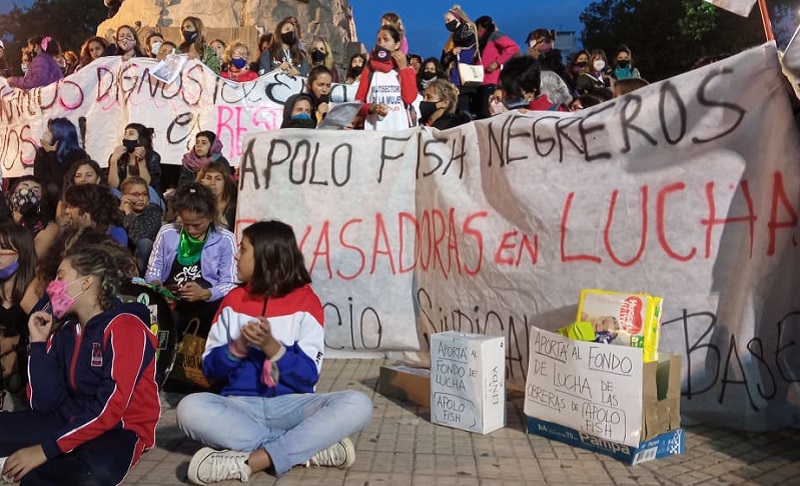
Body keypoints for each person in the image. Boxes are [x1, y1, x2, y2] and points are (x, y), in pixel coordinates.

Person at [176, 220, 373, 483]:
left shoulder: (307, 302)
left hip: (293, 407)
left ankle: (253, 460)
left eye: (243, 250)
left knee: (358, 404)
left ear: (265, 257)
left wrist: (272, 347)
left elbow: (308, 377)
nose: (236, 255)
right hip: (240, 407)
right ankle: (303, 449)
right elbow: (209, 370)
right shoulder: (233, 301)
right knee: (189, 408)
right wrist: (238, 347)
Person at [0, 243, 160, 485]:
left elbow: (110, 409)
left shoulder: (126, 327)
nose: (53, 285)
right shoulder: (67, 330)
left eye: (61, 276)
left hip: (117, 429)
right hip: (67, 419)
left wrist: (44, 450)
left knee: (86, 475)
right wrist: (39, 344)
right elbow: (43, 403)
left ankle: (38, 463)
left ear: (86, 282)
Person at [145, 183, 236, 334]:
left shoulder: (225, 239)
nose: (190, 230)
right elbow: (154, 270)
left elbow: (229, 283)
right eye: (186, 224)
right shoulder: (167, 233)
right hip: (170, 300)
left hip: (205, 304)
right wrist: (158, 288)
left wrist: (206, 294)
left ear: (210, 217)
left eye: (197, 225)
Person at [0, 221, 36, 411]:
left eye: (4, 248)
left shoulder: (33, 293)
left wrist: (13, 345)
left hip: (22, 367)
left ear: (21, 253)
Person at [355, 25, 418, 131]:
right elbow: (358, 103)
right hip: (374, 132)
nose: (381, 43)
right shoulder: (370, 69)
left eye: (386, 39)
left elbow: (409, 98)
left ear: (397, 44)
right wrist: (372, 108)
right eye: (379, 40)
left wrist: (403, 69)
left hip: (400, 131)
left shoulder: (405, 70)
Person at [475, 16, 519, 120]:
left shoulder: (494, 35)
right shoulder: (481, 41)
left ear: (480, 26)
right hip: (480, 80)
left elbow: (513, 47)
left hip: (490, 80)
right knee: (481, 112)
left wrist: (496, 63)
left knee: (487, 113)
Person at [34, 117, 87, 200]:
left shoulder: (77, 155)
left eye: (50, 131)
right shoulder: (42, 152)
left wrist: (52, 154)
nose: (46, 133)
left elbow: (60, 181)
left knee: (53, 188)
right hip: (47, 197)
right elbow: (38, 177)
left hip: (70, 195)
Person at [7, 177, 59, 258]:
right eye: (24, 188)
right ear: (11, 195)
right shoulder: (4, 219)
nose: (28, 192)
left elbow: (33, 259)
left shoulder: (48, 227)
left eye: (35, 191)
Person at [440, 7, 479, 117]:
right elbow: (443, 61)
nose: (446, 23)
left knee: (464, 112)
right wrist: (451, 53)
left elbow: (467, 37)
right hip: (454, 79)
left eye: (448, 20)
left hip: (465, 79)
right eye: (445, 21)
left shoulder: (467, 31)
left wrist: (460, 24)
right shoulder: (450, 41)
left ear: (457, 19)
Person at [119, 176, 162, 275]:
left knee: (145, 243)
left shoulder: (153, 211)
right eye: (135, 194)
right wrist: (120, 211)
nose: (141, 198)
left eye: (144, 194)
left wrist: (129, 213)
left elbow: (141, 237)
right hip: (122, 259)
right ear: (123, 196)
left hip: (145, 262)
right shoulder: (115, 212)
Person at [62, 184, 128, 246]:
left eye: (71, 206)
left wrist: (87, 232)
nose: (66, 211)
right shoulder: (67, 233)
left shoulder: (116, 234)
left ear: (87, 209)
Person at [107, 122, 163, 193]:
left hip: (146, 196)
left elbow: (148, 186)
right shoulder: (118, 156)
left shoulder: (153, 156)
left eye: (131, 134)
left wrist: (141, 162)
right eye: (125, 133)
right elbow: (113, 186)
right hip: (123, 196)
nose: (125, 137)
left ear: (140, 139)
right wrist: (113, 162)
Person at [498, 55, 566, 111]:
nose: (504, 101)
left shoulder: (558, 114)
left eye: (510, 97)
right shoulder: (502, 116)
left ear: (531, 92)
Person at [197, 161, 237, 231]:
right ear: (201, 180)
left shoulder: (234, 207)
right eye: (208, 178)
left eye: (218, 179)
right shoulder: (194, 202)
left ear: (225, 182)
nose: (212, 183)